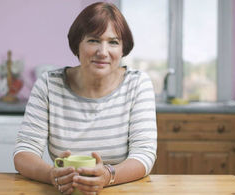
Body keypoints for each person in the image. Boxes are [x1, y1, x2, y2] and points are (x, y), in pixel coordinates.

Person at [14, 2, 157, 195]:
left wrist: (107, 175)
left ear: (123, 49)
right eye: (93, 40)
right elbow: (24, 151)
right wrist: (52, 175)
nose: (103, 52)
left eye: (113, 42)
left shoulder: (138, 84)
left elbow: (144, 154)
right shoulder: (49, 85)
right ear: (77, 45)